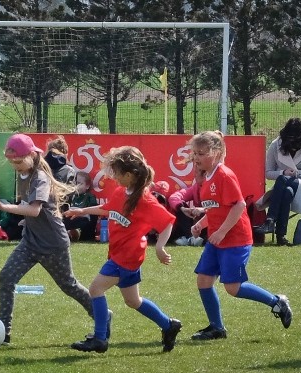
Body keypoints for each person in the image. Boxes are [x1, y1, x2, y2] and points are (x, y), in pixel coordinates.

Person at [64, 146, 181, 354]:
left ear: (129, 175)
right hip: (123, 255)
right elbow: (108, 209)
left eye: (116, 173)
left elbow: (168, 222)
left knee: (95, 289)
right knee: (133, 301)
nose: (113, 177)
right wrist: (82, 210)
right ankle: (168, 324)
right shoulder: (122, 192)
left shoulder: (146, 201)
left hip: (126, 257)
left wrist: (160, 247)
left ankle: (100, 339)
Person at [0, 134, 93, 344]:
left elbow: (34, 210)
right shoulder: (23, 175)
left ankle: (102, 315)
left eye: (18, 161)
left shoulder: (40, 178)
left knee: (69, 286)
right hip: (30, 242)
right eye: (11, 162)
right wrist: (26, 223)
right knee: (6, 278)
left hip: (53, 244)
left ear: (32, 155)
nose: (14, 165)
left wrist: (4, 207)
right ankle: (3, 332)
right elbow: (33, 211)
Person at [188, 131, 292, 341]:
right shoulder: (207, 177)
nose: (196, 158)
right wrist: (201, 223)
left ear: (216, 153)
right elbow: (217, 208)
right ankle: (217, 328)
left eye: (201, 153)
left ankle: (276, 302)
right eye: (195, 153)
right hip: (217, 240)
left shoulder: (224, 175)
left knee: (233, 288)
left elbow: (239, 205)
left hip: (235, 240)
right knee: (203, 281)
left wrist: (222, 231)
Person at [168, 167, 207, 246]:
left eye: (197, 173)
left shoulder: (215, 187)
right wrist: (183, 208)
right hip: (197, 225)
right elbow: (174, 197)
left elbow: (219, 208)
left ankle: (199, 239)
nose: (194, 175)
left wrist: (203, 210)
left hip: (211, 223)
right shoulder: (195, 188)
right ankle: (190, 237)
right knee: (180, 207)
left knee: (208, 213)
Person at [63, 171, 98, 241]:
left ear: (87, 186)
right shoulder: (70, 196)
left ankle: (76, 233)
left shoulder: (90, 197)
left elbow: (93, 216)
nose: (76, 186)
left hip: (84, 222)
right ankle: (68, 234)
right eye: (75, 183)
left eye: (80, 183)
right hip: (71, 220)